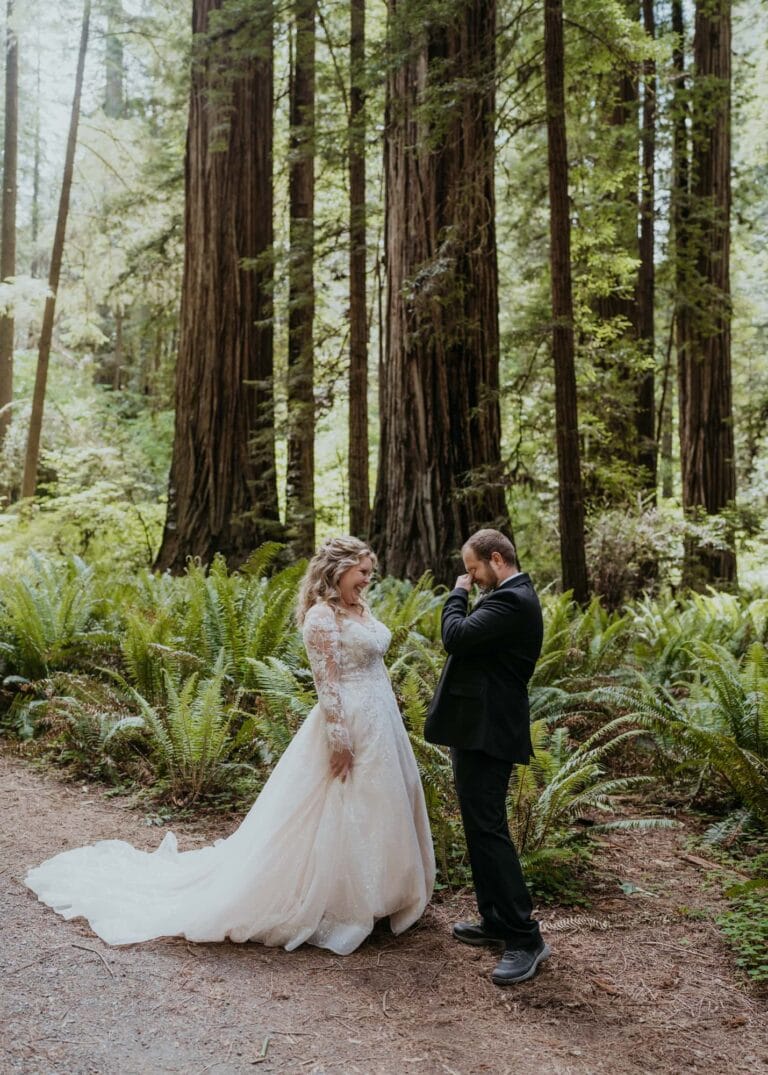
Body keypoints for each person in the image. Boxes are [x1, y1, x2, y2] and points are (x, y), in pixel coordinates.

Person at [25, 537, 435, 955]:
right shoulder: (321, 618)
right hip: (348, 722)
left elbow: (376, 665)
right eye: (362, 572)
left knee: (380, 805)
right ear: (339, 569)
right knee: (342, 807)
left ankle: (383, 896)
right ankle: (342, 903)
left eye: (370, 572)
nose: (367, 580)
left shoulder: (359, 609)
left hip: (381, 722)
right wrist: (340, 738)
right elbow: (326, 683)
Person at [424, 528, 548, 985]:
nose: (469, 577)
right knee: (480, 826)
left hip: (491, 732)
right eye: (467, 574)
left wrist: (456, 594)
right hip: (478, 730)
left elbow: (454, 636)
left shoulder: (513, 600)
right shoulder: (507, 596)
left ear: (497, 559)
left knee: (490, 829)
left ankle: (524, 936)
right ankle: (496, 920)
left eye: (473, 569)